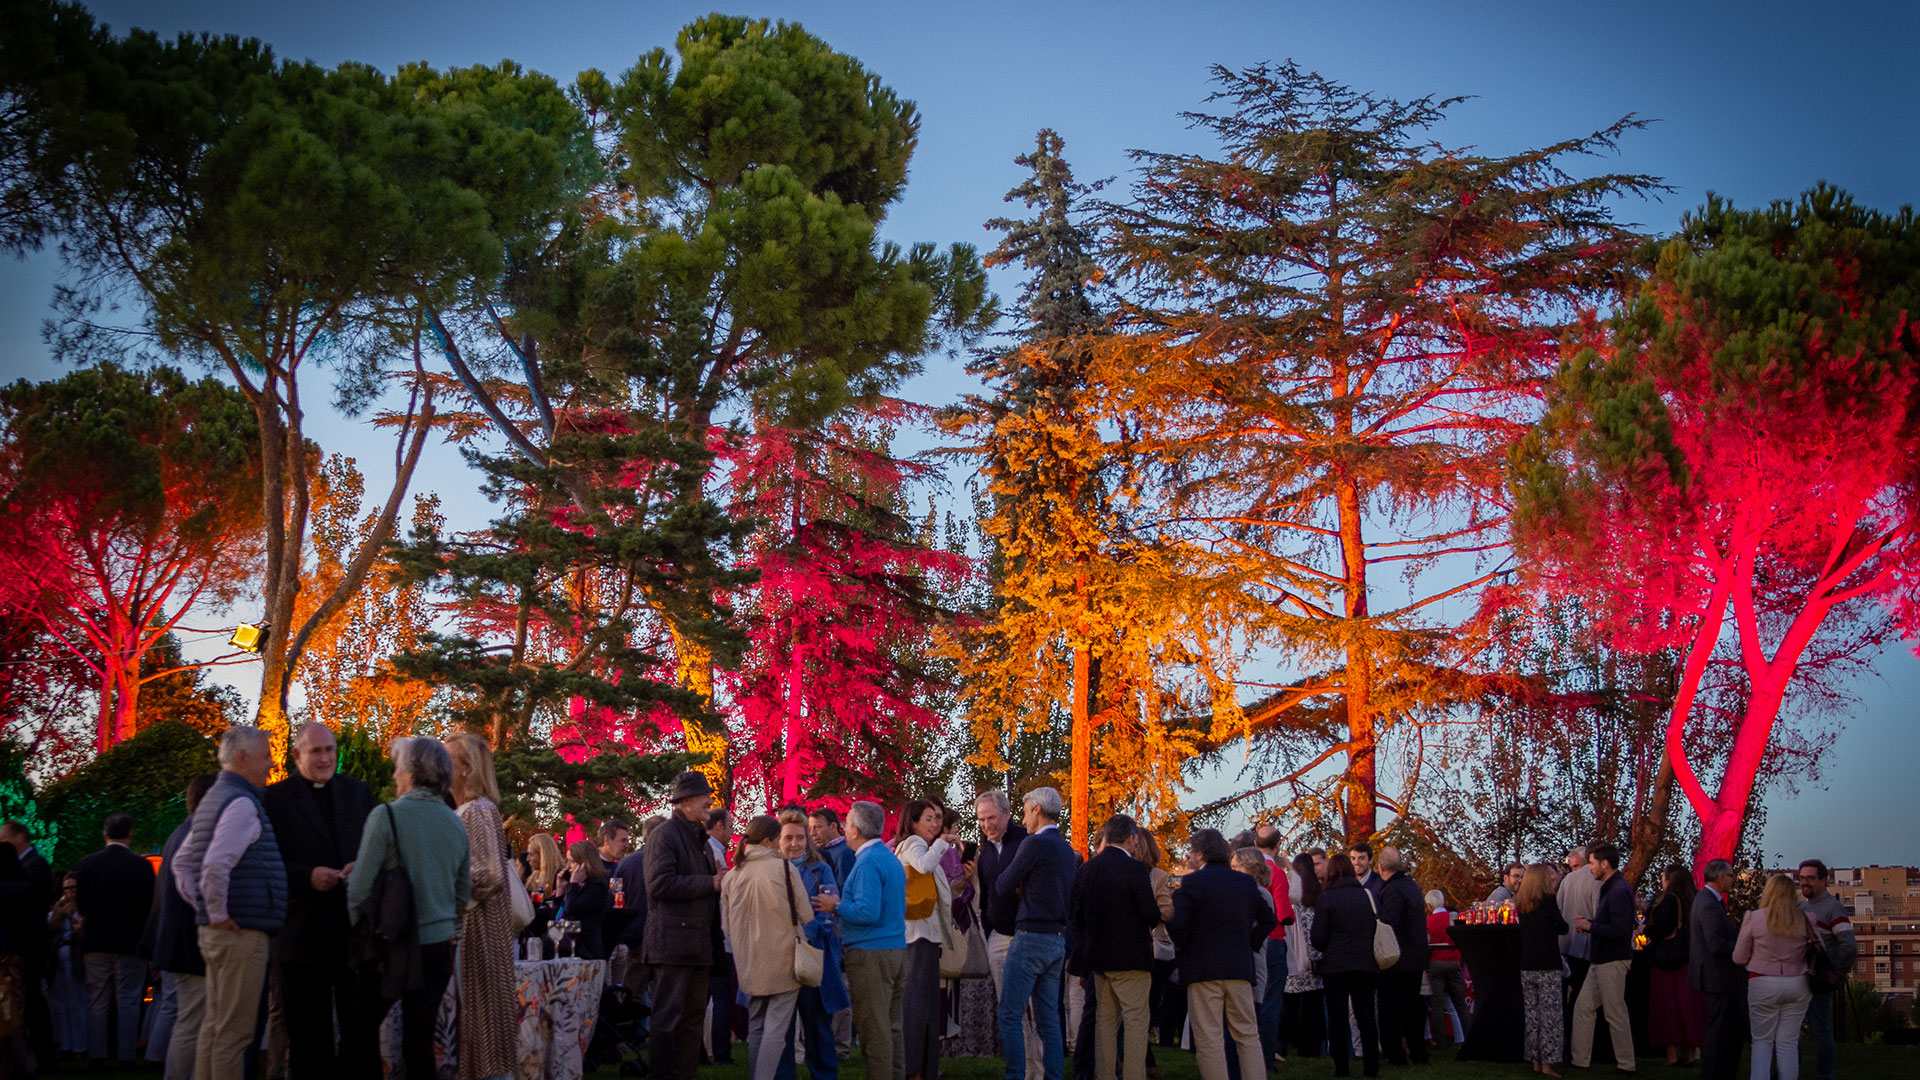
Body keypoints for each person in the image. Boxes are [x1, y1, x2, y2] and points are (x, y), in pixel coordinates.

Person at [346, 736, 471, 1080]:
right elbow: (463, 894)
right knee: (419, 1040)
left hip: (392, 944)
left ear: (412, 771)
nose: (394, 776)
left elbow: (357, 891)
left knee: (360, 1028)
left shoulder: (385, 816)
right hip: (439, 946)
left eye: (398, 767)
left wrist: (361, 929)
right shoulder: (455, 822)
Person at [261, 721, 375, 1080]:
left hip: (354, 934)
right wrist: (307, 876)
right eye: (316, 751)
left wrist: (365, 866)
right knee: (309, 1037)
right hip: (301, 933)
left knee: (359, 1033)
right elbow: (267, 862)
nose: (326, 758)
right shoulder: (275, 800)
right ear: (297, 755)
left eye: (330, 750)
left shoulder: (358, 793)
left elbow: (382, 851)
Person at [173, 726, 286, 1080]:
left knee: (214, 1028)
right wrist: (218, 914)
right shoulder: (240, 802)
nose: (271, 764)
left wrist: (204, 911)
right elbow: (215, 863)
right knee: (233, 1035)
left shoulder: (214, 798)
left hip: (218, 932)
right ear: (242, 757)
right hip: (240, 933)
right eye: (266, 755)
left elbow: (181, 861)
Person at [814, 800, 907, 1080]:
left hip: (870, 953)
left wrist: (836, 906)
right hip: (895, 949)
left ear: (854, 830)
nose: (843, 828)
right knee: (892, 1027)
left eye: (845, 823)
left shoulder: (866, 862)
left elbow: (867, 911)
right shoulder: (889, 858)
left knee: (874, 1030)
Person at [1172, 829, 1274, 1080]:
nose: (1188, 858)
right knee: (1247, 1034)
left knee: (1209, 1037)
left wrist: (1186, 948)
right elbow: (1268, 919)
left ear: (1199, 854)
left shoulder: (1193, 883)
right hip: (1239, 967)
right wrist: (1249, 943)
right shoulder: (1245, 882)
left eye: (1190, 853)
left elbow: (1178, 924)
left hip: (1203, 969)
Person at [645, 770, 726, 1080]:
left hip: (697, 945)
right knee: (667, 1020)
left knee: (692, 1019)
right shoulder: (664, 835)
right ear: (687, 802)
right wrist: (710, 882)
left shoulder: (700, 840)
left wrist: (715, 882)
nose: (710, 801)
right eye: (705, 797)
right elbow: (658, 884)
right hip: (672, 946)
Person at [446, 733, 518, 1080]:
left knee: (484, 1017)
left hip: (480, 928)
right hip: (470, 927)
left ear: (466, 769)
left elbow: (489, 873)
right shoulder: (465, 810)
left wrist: (446, 890)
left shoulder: (479, 810)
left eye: (448, 761)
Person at [720, 816, 812, 1080]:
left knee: (757, 1026)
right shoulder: (783, 869)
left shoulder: (733, 874)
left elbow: (726, 926)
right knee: (775, 1031)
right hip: (783, 958)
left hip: (748, 960)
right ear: (770, 840)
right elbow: (806, 914)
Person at [993, 787, 1076, 1080]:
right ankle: (1053, 1076)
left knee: (1010, 1013)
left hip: (1030, 936)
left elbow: (1003, 885)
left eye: (1026, 811)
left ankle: (1015, 1075)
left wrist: (1018, 882)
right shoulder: (1067, 850)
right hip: (1057, 939)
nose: (1023, 818)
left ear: (1037, 809)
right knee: (1049, 1020)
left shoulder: (1033, 845)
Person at [1071, 815, 1159, 1080]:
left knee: (1104, 1023)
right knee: (1135, 1022)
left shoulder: (1087, 869)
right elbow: (1150, 914)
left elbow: (1076, 915)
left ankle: (1104, 1075)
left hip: (1098, 958)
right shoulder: (1135, 870)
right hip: (1132, 958)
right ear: (1131, 838)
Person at [71, 810, 156, 1065]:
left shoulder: (87, 864)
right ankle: (126, 1054)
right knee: (128, 1000)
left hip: (97, 941)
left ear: (105, 834)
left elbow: (82, 904)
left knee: (98, 1000)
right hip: (130, 941)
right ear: (129, 835)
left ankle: (97, 1053)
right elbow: (148, 905)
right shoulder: (142, 867)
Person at [774, 808, 848, 1080]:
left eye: (799, 838)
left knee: (817, 1023)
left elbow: (827, 912)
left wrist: (804, 933)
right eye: (788, 838)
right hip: (779, 958)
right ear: (778, 841)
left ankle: (824, 1074)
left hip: (813, 956)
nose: (794, 844)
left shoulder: (821, 869)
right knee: (781, 1026)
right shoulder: (772, 870)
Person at [152, 774, 216, 1080]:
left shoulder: (179, 832)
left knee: (188, 1018)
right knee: (193, 1021)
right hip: (190, 942)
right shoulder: (200, 833)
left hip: (176, 941)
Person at [975, 789, 1039, 1080]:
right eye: (981, 819)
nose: (987, 824)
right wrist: (989, 933)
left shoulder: (1026, 843)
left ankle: (1038, 1069)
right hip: (998, 938)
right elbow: (987, 895)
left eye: (991, 818)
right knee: (1009, 1010)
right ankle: (1023, 1069)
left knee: (1034, 1009)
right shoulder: (985, 852)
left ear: (1007, 814)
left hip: (1026, 936)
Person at [1733, 874, 1814, 1080]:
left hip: (1762, 981)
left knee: (1762, 1040)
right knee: (1788, 1043)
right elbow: (1820, 948)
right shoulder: (1805, 919)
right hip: (1797, 981)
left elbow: (1739, 957)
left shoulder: (1755, 918)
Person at [894, 799, 953, 1080]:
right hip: (916, 936)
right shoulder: (913, 845)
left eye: (938, 818)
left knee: (928, 1006)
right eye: (929, 818)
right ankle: (912, 1069)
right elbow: (924, 866)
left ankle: (925, 1068)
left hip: (926, 937)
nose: (935, 824)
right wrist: (943, 842)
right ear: (913, 821)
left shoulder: (923, 846)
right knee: (917, 1006)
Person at [1311, 854, 1380, 1079]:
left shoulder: (1327, 899)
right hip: (1365, 963)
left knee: (1338, 1019)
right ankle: (1372, 1068)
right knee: (1366, 1017)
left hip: (1336, 966)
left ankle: (1342, 1069)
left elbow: (1318, 938)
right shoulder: (1367, 896)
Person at [1568, 843, 1635, 1073]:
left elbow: (1621, 930)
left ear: (1604, 864)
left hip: (1612, 960)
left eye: (1593, 863)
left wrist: (1591, 926)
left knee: (1615, 1012)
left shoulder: (1618, 891)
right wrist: (1593, 926)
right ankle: (1580, 1061)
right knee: (1583, 1007)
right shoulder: (1610, 887)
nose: (1589, 869)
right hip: (1600, 960)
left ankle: (1626, 1064)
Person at [1, 821, 53, 1068]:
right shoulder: (27, 868)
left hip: (26, 946)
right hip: (22, 945)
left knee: (28, 1002)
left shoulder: (35, 866)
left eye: (4, 838)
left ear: (19, 836)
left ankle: (38, 1055)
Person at [1796, 859, 1854, 1080]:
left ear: (1823, 880)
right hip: (1804, 977)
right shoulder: (1803, 907)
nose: (1805, 882)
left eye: (1810, 878)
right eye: (1802, 878)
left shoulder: (1832, 908)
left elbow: (1849, 945)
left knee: (1820, 1029)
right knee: (1796, 1030)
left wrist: (1836, 973)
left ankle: (1825, 1075)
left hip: (1820, 979)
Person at [1644, 865, 1705, 1066]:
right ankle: (1690, 1053)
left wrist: (1647, 929)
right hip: (1689, 960)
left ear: (1669, 880)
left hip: (1667, 962)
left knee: (1667, 1009)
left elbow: (1662, 927)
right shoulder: (1695, 900)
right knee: (1688, 1009)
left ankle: (1672, 1056)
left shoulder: (1669, 901)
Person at [1689, 859, 1745, 1080]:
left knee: (1721, 1028)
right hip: (1718, 976)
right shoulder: (1709, 904)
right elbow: (1716, 944)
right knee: (1720, 1029)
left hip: (1715, 975)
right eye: (1731, 876)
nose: (1732, 880)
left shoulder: (1705, 900)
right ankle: (1715, 1072)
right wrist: (1743, 947)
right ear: (1720, 877)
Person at [1374, 847, 1430, 1066]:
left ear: (1380, 867)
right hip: (1415, 958)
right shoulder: (1411, 886)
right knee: (1414, 1010)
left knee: (1391, 1010)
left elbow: (1388, 924)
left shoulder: (1392, 890)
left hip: (1397, 959)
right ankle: (1418, 1053)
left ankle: (1395, 1054)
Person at [1517, 864, 1570, 1077]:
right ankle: (1548, 1062)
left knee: (1532, 1015)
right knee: (1550, 1016)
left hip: (1527, 964)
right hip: (1547, 964)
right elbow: (1563, 927)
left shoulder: (1521, 904)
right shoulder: (1548, 901)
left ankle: (1535, 1060)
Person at [1251, 827, 1292, 1072]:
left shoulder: (1242, 873)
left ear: (1255, 843)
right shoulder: (1276, 873)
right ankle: (1266, 1057)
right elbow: (1284, 912)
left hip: (1249, 940)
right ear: (1277, 845)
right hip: (1273, 938)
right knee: (1271, 1002)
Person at [708, 808, 742, 1063]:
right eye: (729, 827)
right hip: (718, 933)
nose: (731, 833)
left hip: (707, 932)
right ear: (719, 825)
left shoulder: (702, 848)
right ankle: (720, 1051)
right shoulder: (715, 851)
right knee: (721, 996)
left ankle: (702, 1050)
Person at [1283, 852, 1324, 1059]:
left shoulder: (1293, 895)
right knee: (1314, 1005)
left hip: (1295, 954)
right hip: (1315, 956)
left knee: (1290, 1003)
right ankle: (1312, 1047)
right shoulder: (1319, 895)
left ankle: (1287, 1043)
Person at [1555, 845, 1599, 1043]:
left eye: (1577, 865)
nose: (1575, 870)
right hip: (1586, 945)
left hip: (1566, 945)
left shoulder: (1566, 882)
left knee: (1568, 997)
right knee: (1584, 998)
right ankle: (1581, 1043)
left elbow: (1559, 911)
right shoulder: (1595, 880)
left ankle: (1566, 1040)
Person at [1424, 889, 1469, 1049]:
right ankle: (1467, 1037)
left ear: (1429, 905)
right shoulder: (1455, 918)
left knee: (1437, 1004)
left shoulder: (1428, 921)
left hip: (1436, 962)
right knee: (1460, 1004)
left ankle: (1441, 1041)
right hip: (1454, 961)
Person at [48, 873, 85, 1058]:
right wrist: (60, 914)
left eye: (73, 888)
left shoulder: (84, 907)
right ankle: (64, 1044)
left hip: (76, 955)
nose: (70, 892)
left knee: (77, 1000)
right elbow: (50, 927)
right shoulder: (58, 908)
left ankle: (79, 1046)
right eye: (66, 888)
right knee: (60, 1003)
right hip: (59, 955)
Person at [564, 840, 612, 959]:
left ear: (583, 864)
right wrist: (560, 892)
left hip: (587, 950)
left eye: (571, 862)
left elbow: (571, 909)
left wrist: (573, 884)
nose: (568, 867)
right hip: (572, 948)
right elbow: (559, 916)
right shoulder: (580, 885)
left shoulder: (596, 886)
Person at [810, 807, 856, 886]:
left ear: (833, 826)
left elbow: (843, 890)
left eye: (817, 827)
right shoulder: (819, 851)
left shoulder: (844, 853)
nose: (812, 833)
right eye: (810, 829)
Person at [526, 832, 564, 901]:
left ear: (543, 855)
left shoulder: (560, 878)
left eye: (531, 855)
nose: (527, 859)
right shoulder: (533, 878)